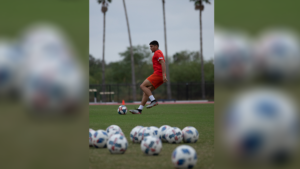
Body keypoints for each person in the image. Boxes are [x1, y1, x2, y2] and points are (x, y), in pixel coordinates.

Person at [129, 40, 168, 114]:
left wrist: (163, 75)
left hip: (158, 75)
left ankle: (153, 101)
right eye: (150, 46)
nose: (150, 48)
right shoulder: (157, 53)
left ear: (156, 46)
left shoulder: (157, 52)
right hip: (159, 75)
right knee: (146, 91)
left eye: (151, 46)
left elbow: (162, 63)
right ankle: (139, 110)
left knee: (142, 86)